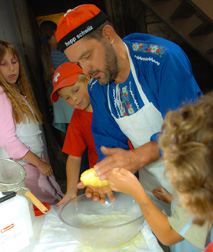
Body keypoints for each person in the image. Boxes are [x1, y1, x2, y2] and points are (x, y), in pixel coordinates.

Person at [55, 4, 202, 208]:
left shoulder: (160, 61)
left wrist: (136, 157)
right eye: (78, 63)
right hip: (153, 185)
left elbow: (188, 131)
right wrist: (106, 174)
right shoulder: (99, 87)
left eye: (87, 56)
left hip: (197, 177)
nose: (86, 70)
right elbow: (108, 142)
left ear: (108, 35)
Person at [108, 93, 213, 252]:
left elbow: (168, 235)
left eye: (178, 183)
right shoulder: (204, 194)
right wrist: (173, 200)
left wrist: (136, 190)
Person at [0, 40, 63, 205]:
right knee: (49, 205)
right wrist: (39, 163)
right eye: (3, 64)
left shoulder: (15, 94)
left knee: (49, 204)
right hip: (23, 167)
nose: (12, 68)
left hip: (28, 165)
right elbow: (8, 141)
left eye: (14, 62)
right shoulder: (2, 97)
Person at [50, 62, 98, 206]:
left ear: (88, 79)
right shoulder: (77, 119)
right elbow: (74, 157)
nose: (74, 99)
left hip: (129, 169)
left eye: (75, 90)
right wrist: (71, 191)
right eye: (67, 98)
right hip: (99, 177)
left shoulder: (108, 102)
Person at [40, 20, 74, 134]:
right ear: (56, 31)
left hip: (60, 103)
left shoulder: (45, 56)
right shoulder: (65, 53)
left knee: (72, 135)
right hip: (73, 99)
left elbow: (48, 80)